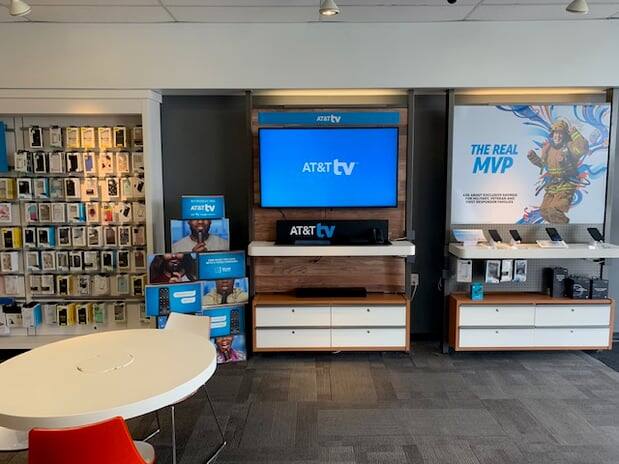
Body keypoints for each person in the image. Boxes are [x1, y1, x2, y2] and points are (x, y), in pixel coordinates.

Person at [527, 120, 589, 224]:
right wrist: (532, 157)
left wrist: (574, 132)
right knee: (544, 211)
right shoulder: (548, 149)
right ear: (552, 134)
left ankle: (564, 229)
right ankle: (557, 229)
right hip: (553, 184)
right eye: (556, 133)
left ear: (565, 135)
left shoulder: (570, 147)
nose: (558, 136)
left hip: (567, 183)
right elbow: (543, 164)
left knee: (554, 210)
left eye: (561, 133)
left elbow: (582, 148)